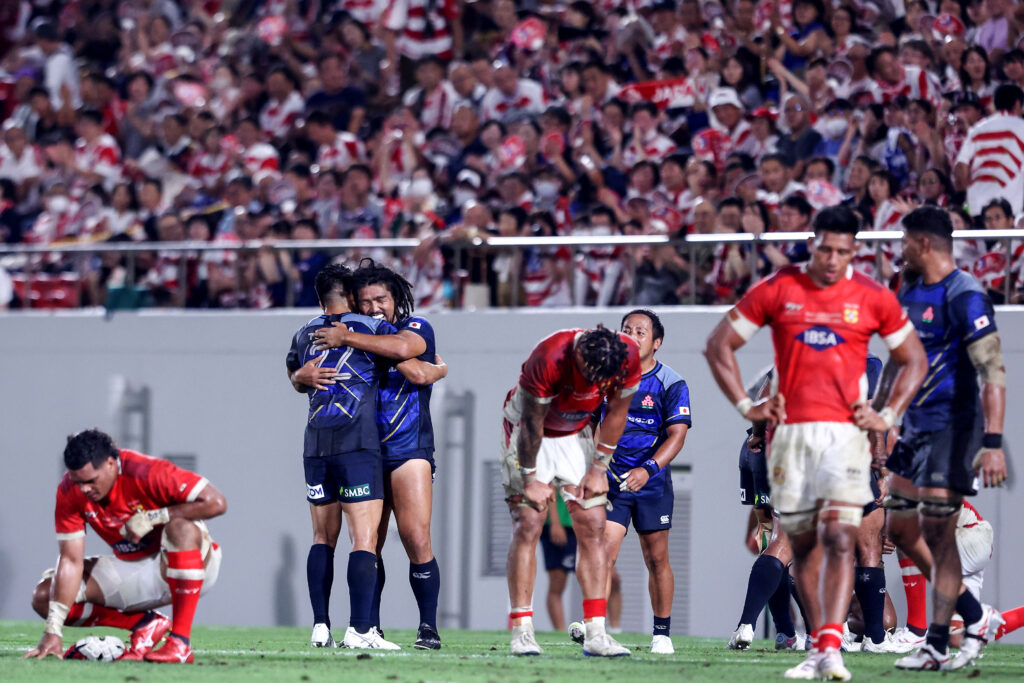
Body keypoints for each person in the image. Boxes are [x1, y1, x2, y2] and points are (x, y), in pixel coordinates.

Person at [704, 205, 928, 681]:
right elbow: (719, 343)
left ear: (855, 250)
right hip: (791, 439)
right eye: (825, 248)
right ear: (813, 243)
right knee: (801, 548)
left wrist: (886, 415)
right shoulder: (781, 287)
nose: (832, 259)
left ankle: (829, 648)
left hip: (846, 438)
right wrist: (748, 406)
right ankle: (816, 643)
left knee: (842, 540)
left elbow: (914, 359)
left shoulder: (871, 295)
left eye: (843, 251)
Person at [878, 206, 1009, 671]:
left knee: (937, 527)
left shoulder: (966, 294)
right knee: (900, 530)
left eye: (906, 241)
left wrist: (992, 442)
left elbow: (992, 369)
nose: (901, 249)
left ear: (926, 244)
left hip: (953, 426)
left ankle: (939, 641)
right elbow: (896, 358)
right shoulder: (909, 289)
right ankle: (976, 617)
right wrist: (880, 412)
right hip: (913, 426)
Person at [310, 260, 447, 650]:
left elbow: (412, 360)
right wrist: (299, 376)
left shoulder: (416, 326)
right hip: (364, 449)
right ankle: (371, 627)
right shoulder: (357, 333)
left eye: (381, 299)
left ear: (396, 297)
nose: (373, 308)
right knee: (368, 542)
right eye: (365, 301)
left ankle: (428, 627)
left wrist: (349, 339)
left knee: (416, 537)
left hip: (408, 448)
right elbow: (309, 373)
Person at [25, 429, 227, 663]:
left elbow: (217, 502)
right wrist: (53, 630)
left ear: (111, 463)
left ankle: (180, 642)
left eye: (90, 481)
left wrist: (156, 517)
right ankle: (146, 624)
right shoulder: (69, 490)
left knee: (180, 527)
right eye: (78, 482)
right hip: (133, 570)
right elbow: (71, 559)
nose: (84, 489)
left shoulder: (147, 472)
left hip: (187, 563)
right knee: (44, 597)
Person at [502, 325, 641, 657]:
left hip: (575, 433)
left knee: (594, 524)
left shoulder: (628, 356)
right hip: (528, 430)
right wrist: (531, 478)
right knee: (528, 523)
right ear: (578, 356)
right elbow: (532, 423)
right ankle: (522, 630)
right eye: (590, 376)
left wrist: (598, 469)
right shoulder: (549, 357)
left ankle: (596, 633)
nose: (594, 385)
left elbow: (617, 412)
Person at [284, 264, 401, 651]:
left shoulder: (303, 333)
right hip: (358, 444)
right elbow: (407, 348)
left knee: (321, 537)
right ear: (353, 296)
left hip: (316, 446)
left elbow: (293, 374)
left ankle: (320, 626)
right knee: (364, 538)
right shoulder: (369, 327)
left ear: (319, 299)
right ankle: (361, 629)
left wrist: (300, 378)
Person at [600, 310, 690, 655]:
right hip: (613, 480)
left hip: (651, 482)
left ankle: (662, 634)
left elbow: (677, 436)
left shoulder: (671, 382)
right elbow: (591, 424)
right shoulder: (606, 378)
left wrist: (648, 470)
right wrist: (598, 466)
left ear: (657, 343)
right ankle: (597, 627)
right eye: (627, 330)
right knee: (604, 553)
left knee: (657, 559)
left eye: (640, 331)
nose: (632, 336)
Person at [541, 490, 577, 633]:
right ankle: (560, 632)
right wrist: (555, 522)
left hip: (580, 524)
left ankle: (612, 628)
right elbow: (549, 486)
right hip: (561, 525)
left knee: (610, 578)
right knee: (557, 583)